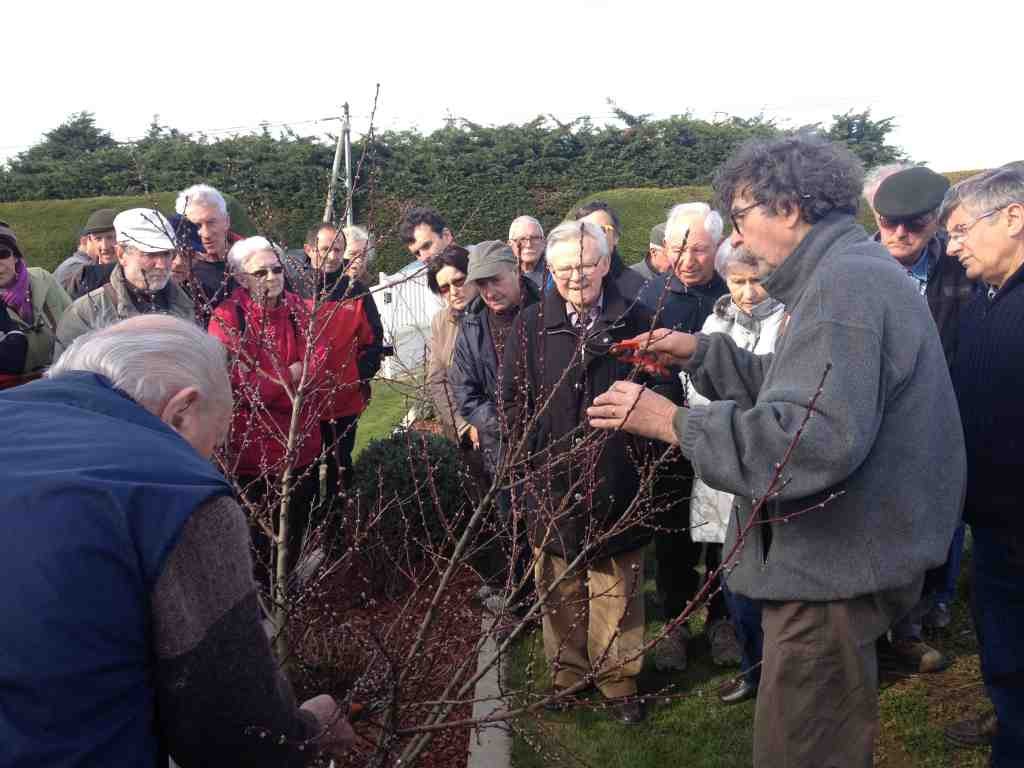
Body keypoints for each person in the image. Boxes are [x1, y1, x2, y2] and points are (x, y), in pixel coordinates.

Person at [588, 134, 965, 766]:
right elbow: (811, 390)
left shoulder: (842, 290)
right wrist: (703, 353)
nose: (735, 239)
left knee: (804, 750)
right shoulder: (845, 275)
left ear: (788, 208)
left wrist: (673, 423)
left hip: (831, 573)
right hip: (841, 561)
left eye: (739, 217)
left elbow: (810, 438)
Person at [0, 315, 352, 766]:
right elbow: (234, 736)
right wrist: (307, 731)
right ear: (181, 413)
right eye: (215, 443)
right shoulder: (174, 490)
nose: (212, 463)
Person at [502, 220, 676, 725]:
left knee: (616, 587)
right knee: (557, 586)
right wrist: (531, 459)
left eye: (584, 265)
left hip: (618, 475)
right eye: (563, 269)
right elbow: (512, 398)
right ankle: (567, 675)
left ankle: (618, 680)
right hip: (550, 478)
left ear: (603, 264)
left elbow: (665, 394)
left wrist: (640, 455)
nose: (575, 276)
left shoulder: (638, 319)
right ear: (550, 271)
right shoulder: (532, 323)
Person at [870, 165, 976, 669]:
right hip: (871, 425)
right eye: (890, 222)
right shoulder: (856, 267)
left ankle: (910, 626)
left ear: (935, 220)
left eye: (914, 223)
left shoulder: (960, 270)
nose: (901, 234)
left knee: (928, 525)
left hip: (940, 422)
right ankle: (867, 634)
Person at [940, 167, 1024, 762]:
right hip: (992, 519)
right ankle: (1011, 723)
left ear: (1015, 218)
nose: (952, 245)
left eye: (963, 229)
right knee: (1004, 641)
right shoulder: (981, 302)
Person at [685, 240, 786, 705]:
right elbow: (697, 393)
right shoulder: (713, 321)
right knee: (735, 576)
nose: (747, 292)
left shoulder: (789, 320)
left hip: (772, 469)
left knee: (778, 578)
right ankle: (753, 667)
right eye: (737, 281)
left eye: (756, 279)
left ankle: (784, 672)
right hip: (726, 467)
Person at [637, 202, 734, 671]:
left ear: (717, 247)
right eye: (680, 248)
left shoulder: (735, 291)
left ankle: (721, 619)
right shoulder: (649, 297)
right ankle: (675, 621)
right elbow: (638, 365)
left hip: (724, 431)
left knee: (720, 531)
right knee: (672, 531)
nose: (689, 259)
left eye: (700, 249)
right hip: (667, 432)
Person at [209, 236, 324, 585]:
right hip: (254, 453)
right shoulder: (228, 318)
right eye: (261, 272)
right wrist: (287, 378)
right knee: (259, 535)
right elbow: (234, 383)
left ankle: (287, 588)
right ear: (242, 278)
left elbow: (317, 363)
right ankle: (263, 597)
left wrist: (276, 382)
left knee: (298, 523)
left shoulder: (300, 309)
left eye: (277, 270)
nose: (273, 277)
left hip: (302, 442)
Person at [289, 222, 383, 494]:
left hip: (343, 403)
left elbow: (373, 343)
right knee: (301, 474)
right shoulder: (293, 289)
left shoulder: (356, 291)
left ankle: (338, 528)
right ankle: (304, 531)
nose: (331, 256)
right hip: (302, 404)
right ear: (309, 249)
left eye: (338, 250)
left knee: (339, 471)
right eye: (325, 249)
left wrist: (355, 378)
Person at [55, 208, 195, 356]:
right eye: (150, 254)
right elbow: (69, 375)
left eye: (167, 254)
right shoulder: (86, 313)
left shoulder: (187, 304)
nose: (161, 264)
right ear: (121, 254)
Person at [0, 220, 71, 383]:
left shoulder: (43, 279)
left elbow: (74, 322)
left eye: (2, 253)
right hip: (12, 392)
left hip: (62, 376)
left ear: (16, 255)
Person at [425, 244, 480, 445]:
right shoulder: (440, 321)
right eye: (444, 288)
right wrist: (465, 425)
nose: (454, 292)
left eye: (459, 281)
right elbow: (437, 381)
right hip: (462, 433)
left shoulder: (493, 313)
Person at [175, 183, 243, 317]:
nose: (205, 233)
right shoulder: (179, 268)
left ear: (227, 221)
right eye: (195, 225)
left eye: (211, 222)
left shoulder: (255, 257)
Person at [571, 201, 647, 299]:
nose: (592, 236)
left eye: (600, 229)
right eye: (584, 230)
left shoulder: (637, 288)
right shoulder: (566, 281)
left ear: (616, 237)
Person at [53, 208, 117, 293]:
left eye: (110, 237)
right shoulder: (76, 268)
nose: (104, 246)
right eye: (98, 239)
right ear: (89, 240)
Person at [508, 215, 550, 291]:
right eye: (522, 239)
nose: (529, 244)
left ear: (544, 242)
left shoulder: (555, 273)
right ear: (510, 244)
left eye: (535, 238)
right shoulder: (504, 275)